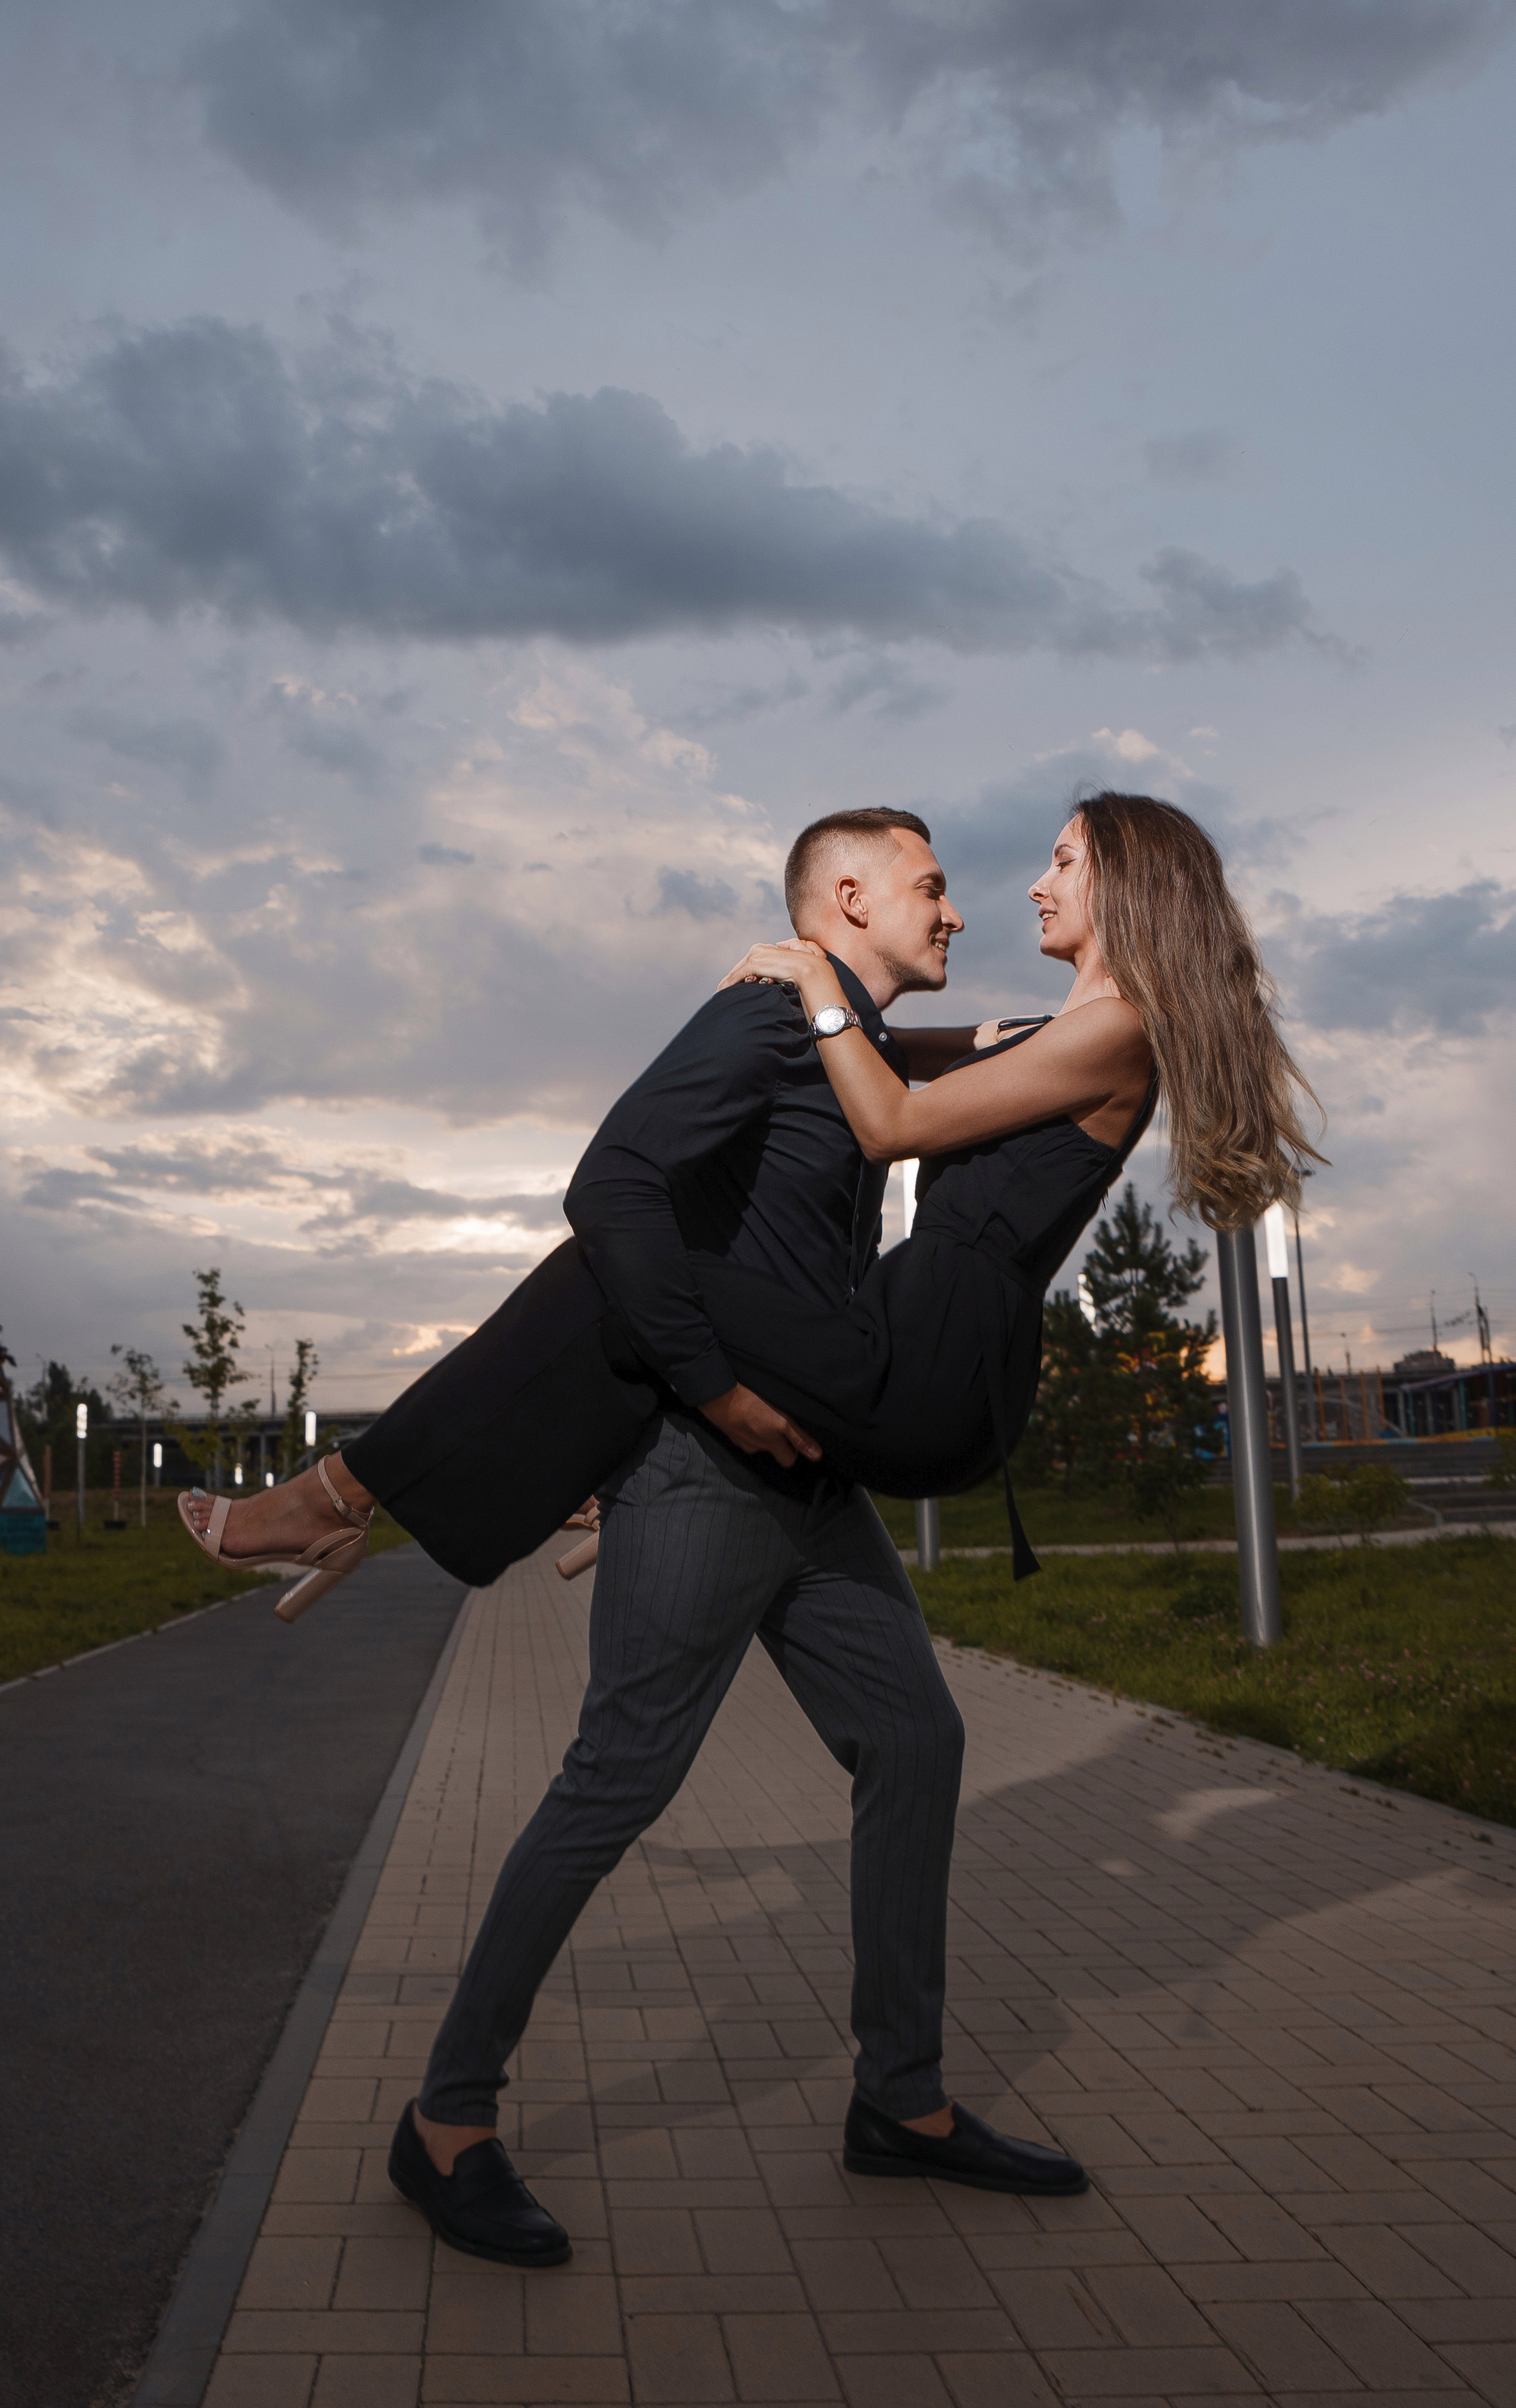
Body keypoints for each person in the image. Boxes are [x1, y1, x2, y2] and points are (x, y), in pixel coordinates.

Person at [181, 794, 1317, 2264]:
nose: (1008, 889)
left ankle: (346, 1497)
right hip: (807, 1439)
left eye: (1058, 861)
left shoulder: (1103, 1030)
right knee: (842, 1746)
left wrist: (802, 978)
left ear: (1131, 887)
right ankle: (464, 2122)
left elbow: (888, 1114)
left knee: (628, 1272)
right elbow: (885, 1076)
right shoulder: (1027, 1035)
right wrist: (813, 993)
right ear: (848, 901)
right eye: (964, 876)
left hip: (891, 1385)